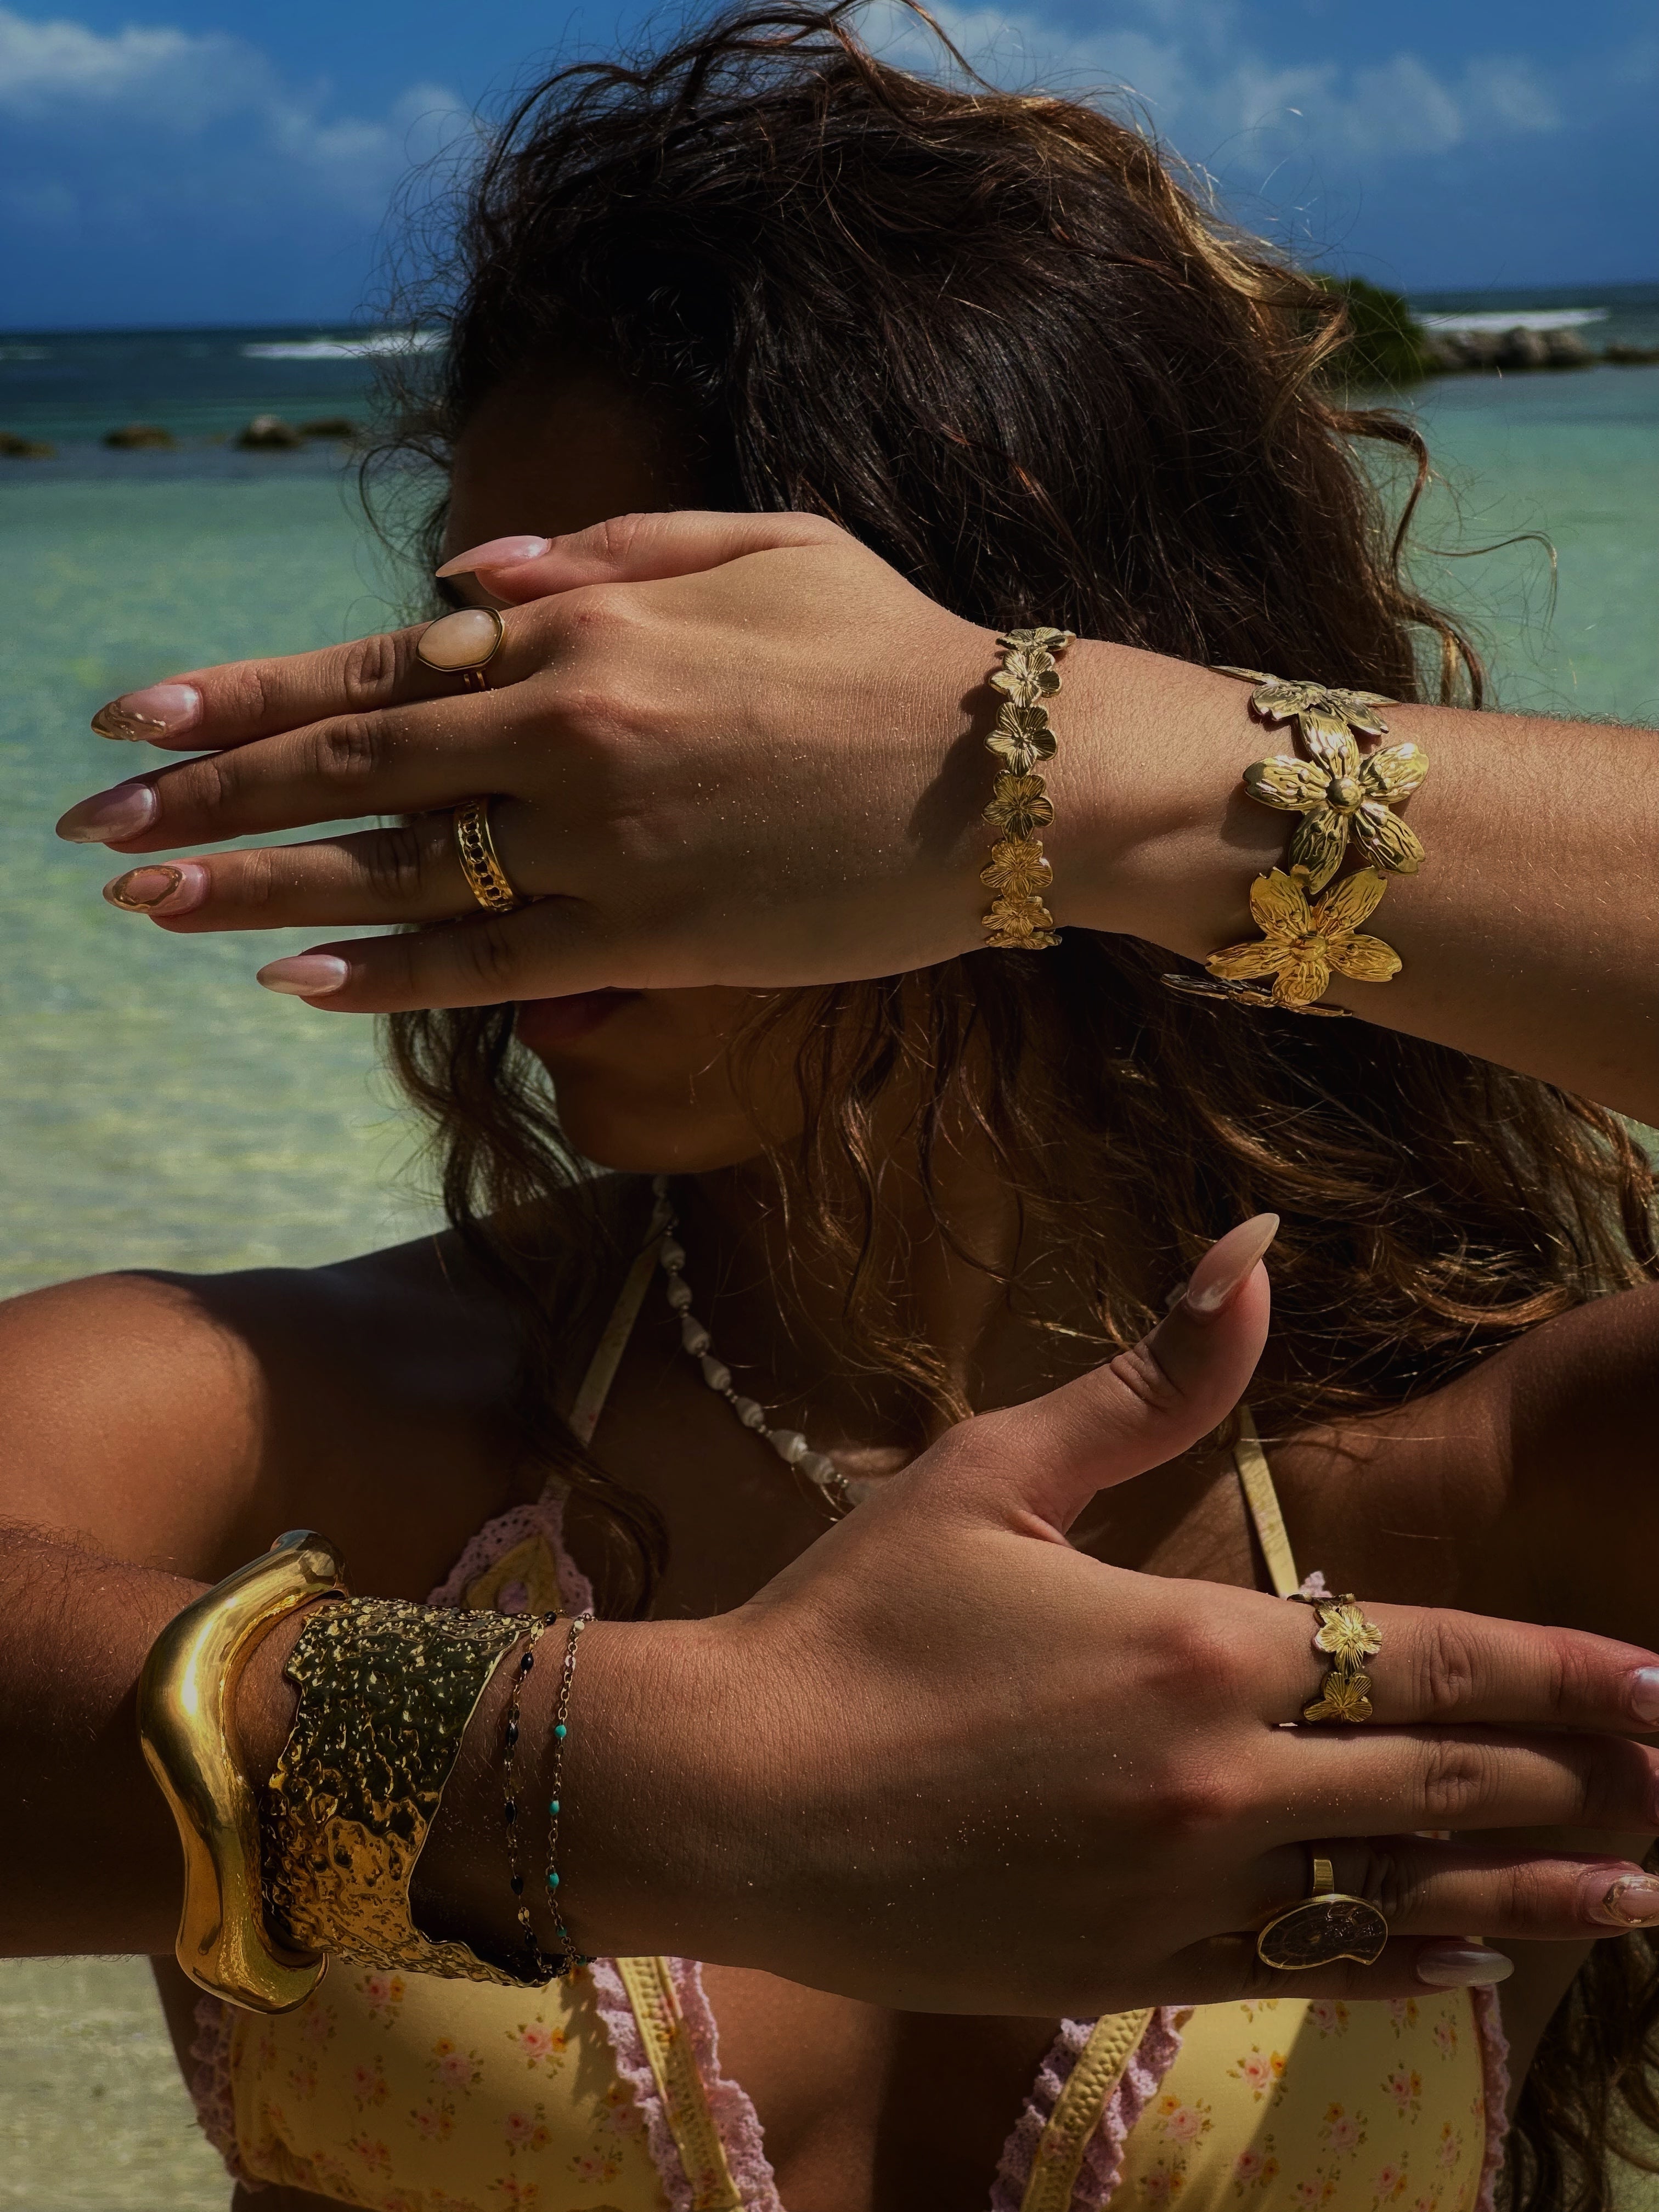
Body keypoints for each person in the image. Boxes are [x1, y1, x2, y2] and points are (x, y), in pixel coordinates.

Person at [14, 7, 1659, 2208]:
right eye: (476, 693)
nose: (506, 825)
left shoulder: (1506, 1489)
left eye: (643, 727)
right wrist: (648, 1787)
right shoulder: (290, 1416)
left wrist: (1071, 768)